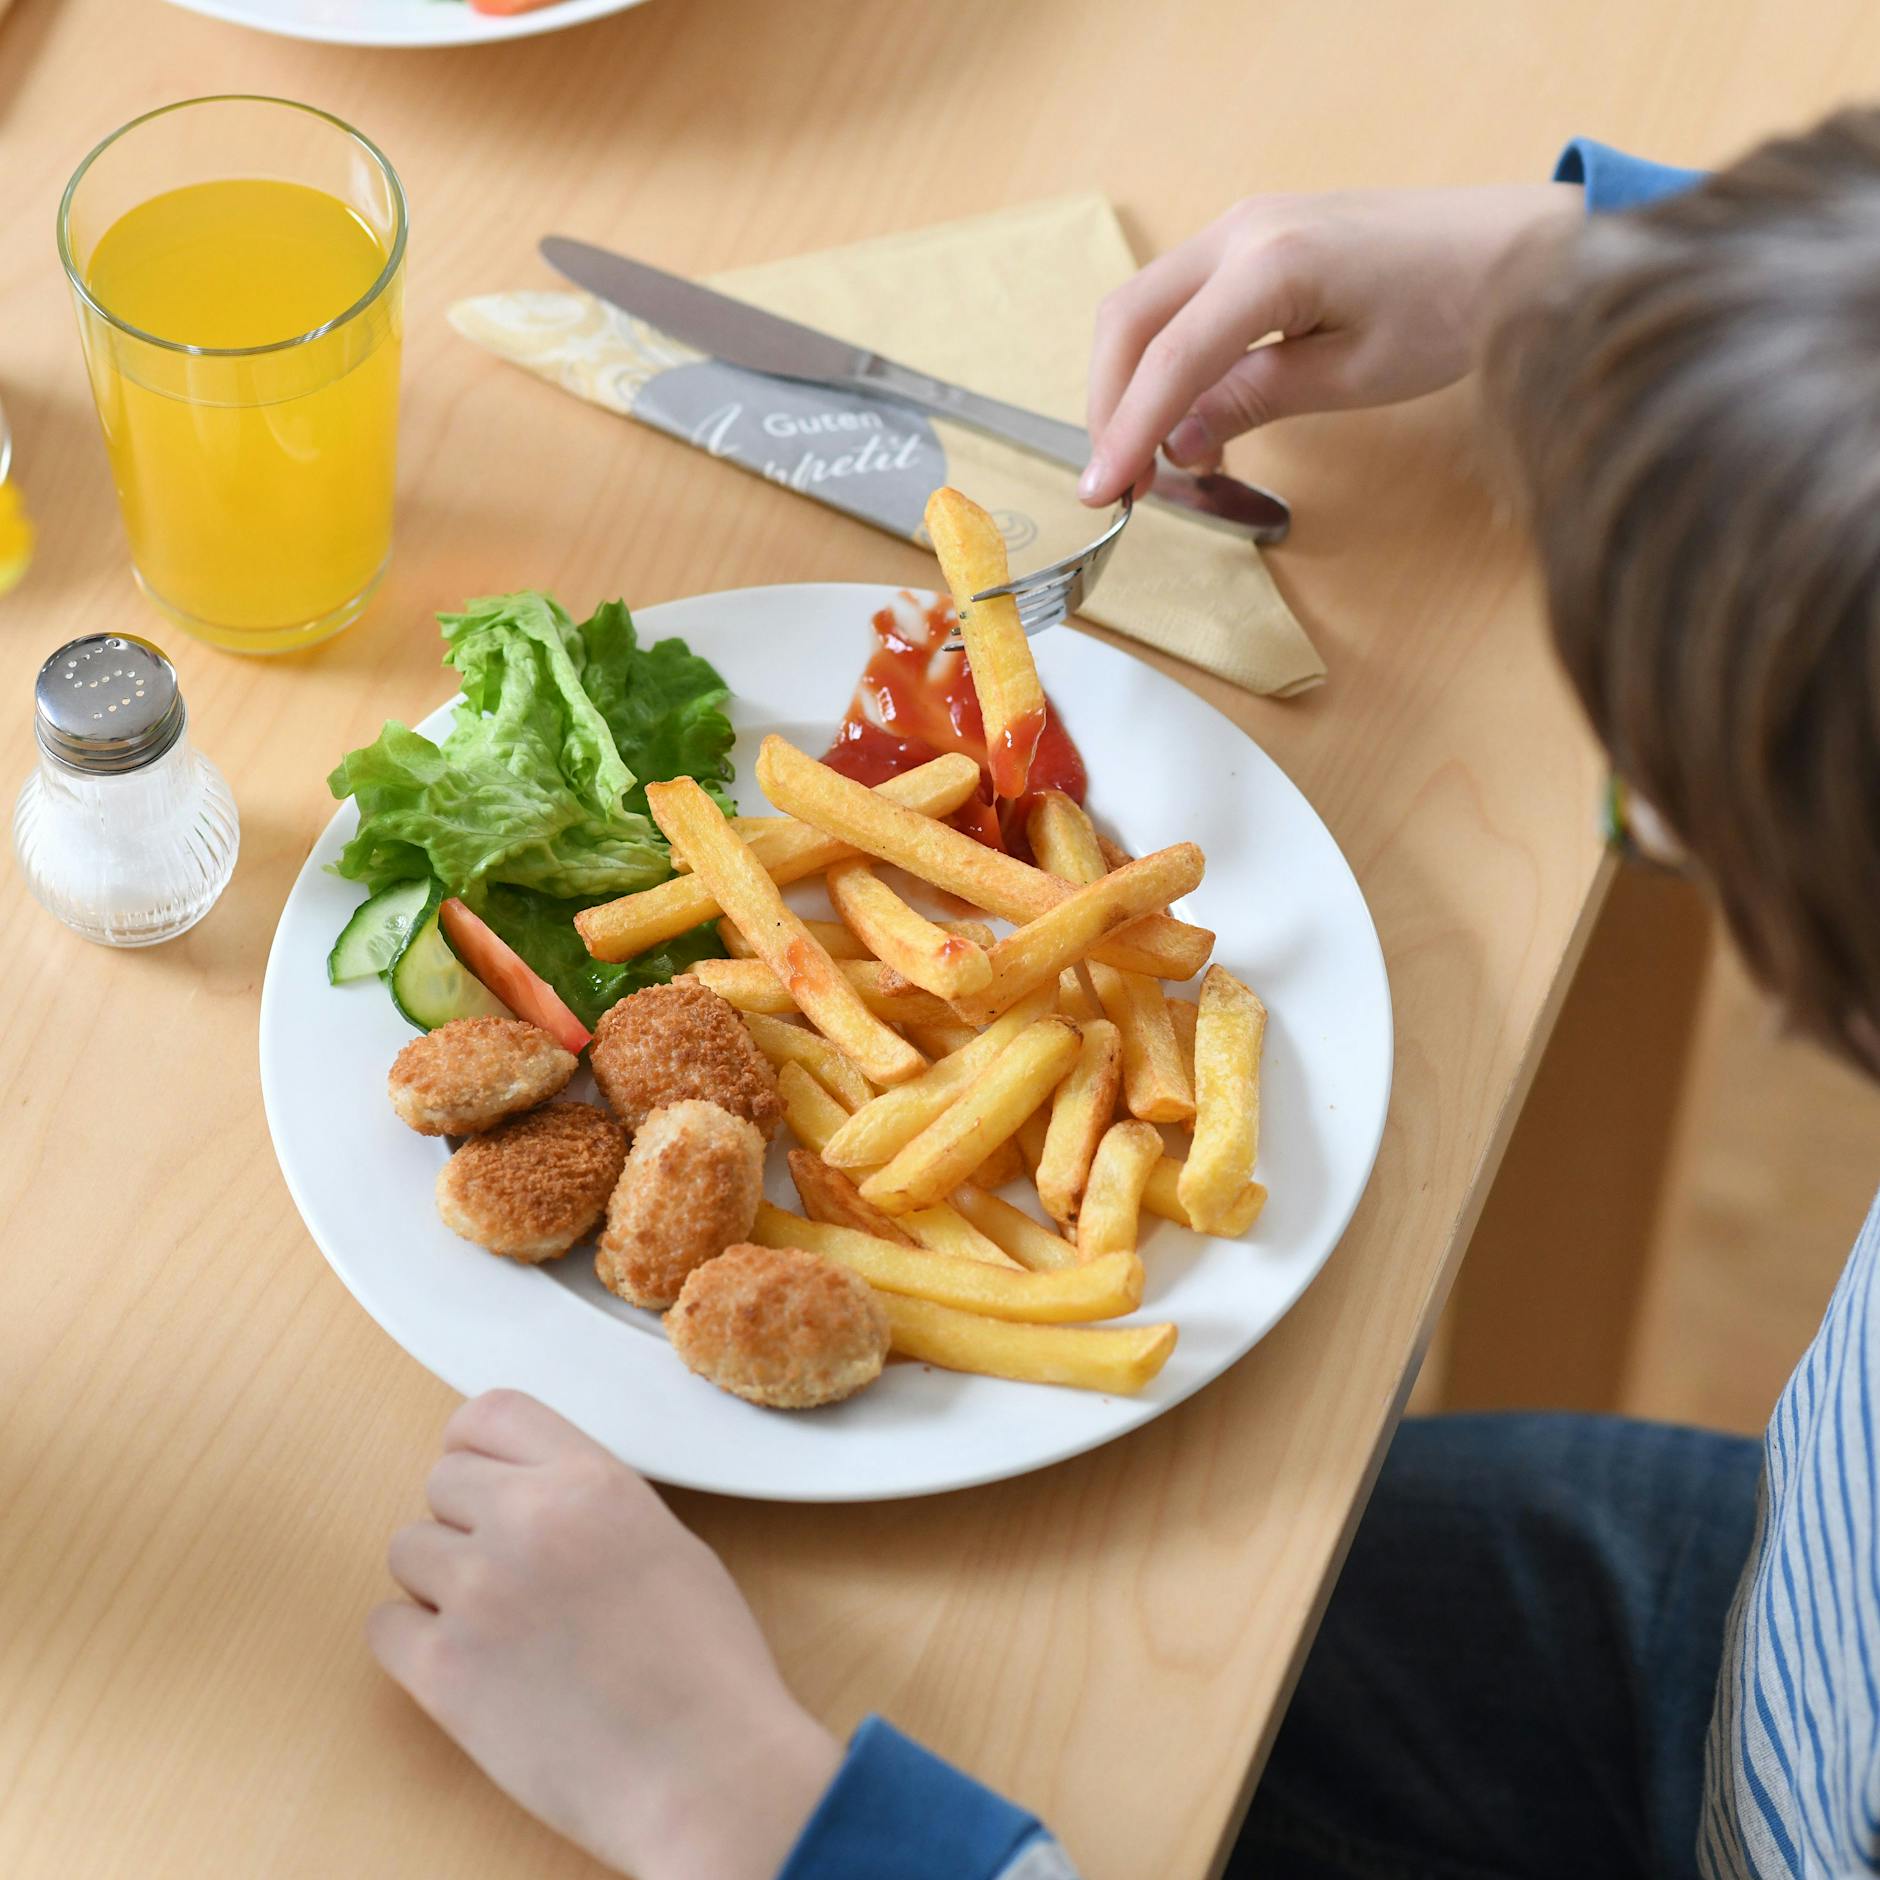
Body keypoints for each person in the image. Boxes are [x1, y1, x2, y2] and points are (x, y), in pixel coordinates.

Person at [367, 118, 1880, 1880]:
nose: (1648, 824)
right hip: (1774, 1602)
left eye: (1663, 817)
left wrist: (744, 1811)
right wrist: (1626, 277)